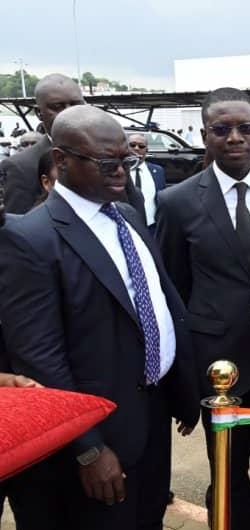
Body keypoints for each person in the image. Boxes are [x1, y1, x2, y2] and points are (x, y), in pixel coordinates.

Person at [0, 105, 200, 530]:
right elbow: (40, 357)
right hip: (98, 433)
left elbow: (161, 303)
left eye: (127, 160)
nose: (121, 172)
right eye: (107, 164)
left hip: (152, 413)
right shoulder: (31, 239)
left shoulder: (126, 216)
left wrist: (183, 388)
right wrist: (88, 449)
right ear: (61, 160)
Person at [156, 87, 250, 530]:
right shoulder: (177, 201)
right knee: (227, 469)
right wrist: (183, 376)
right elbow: (174, 289)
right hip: (218, 364)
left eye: (245, 128)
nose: (235, 138)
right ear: (205, 135)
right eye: (222, 129)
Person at [0, 74, 85, 214]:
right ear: (39, 113)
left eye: (76, 105)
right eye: (58, 107)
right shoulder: (21, 167)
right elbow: (19, 224)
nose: (69, 112)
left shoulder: (108, 153)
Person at [126, 133, 166, 229]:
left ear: (146, 150)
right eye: (132, 145)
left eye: (141, 146)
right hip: (127, 226)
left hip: (152, 227)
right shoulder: (120, 171)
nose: (136, 148)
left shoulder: (158, 171)